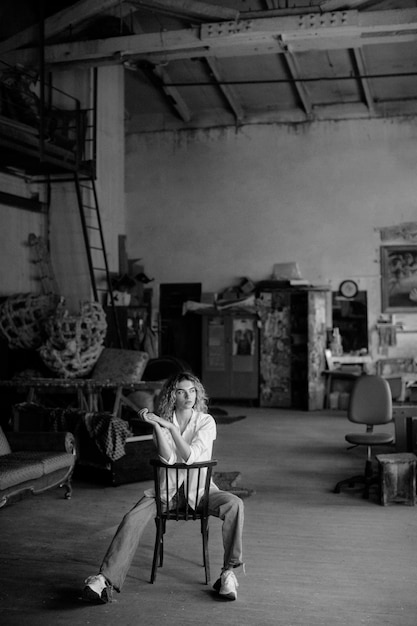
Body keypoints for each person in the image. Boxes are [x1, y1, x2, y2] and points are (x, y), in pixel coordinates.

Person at [82, 371, 244, 603]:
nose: (188, 396)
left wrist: (171, 427)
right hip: (166, 493)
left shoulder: (206, 421)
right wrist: (158, 425)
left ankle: (228, 573)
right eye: (181, 391)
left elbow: (191, 456)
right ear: (172, 396)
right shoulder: (164, 422)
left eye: (192, 391)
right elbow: (168, 459)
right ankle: (104, 580)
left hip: (200, 492)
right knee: (132, 518)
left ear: (197, 394)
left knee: (235, 504)